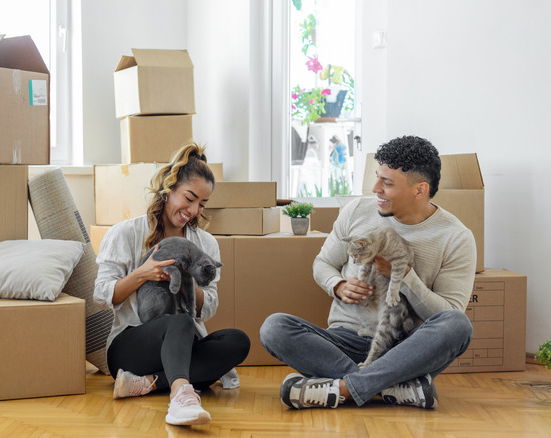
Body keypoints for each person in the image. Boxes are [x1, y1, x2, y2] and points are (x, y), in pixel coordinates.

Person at [260, 135, 476, 410]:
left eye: (387, 183)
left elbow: (446, 313)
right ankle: (390, 388)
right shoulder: (358, 211)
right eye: (377, 178)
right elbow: (322, 263)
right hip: (345, 340)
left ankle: (343, 389)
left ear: (419, 190)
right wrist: (338, 285)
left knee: (458, 325)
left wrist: (405, 274)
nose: (375, 188)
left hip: (406, 348)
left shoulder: (455, 237)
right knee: (275, 327)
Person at [94, 142, 251, 426]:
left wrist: (188, 281)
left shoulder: (205, 244)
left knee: (238, 342)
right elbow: (103, 295)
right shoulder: (125, 233)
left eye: (202, 204)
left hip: (183, 345)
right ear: (169, 189)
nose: (193, 210)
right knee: (179, 322)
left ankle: (149, 383)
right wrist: (143, 273)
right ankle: (180, 395)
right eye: (189, 198)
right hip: (131, 344)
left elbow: (210, 306)